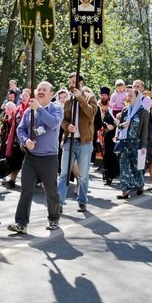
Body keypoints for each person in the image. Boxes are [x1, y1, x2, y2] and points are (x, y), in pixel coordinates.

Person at [7, 81, 63, 234]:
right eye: (39, 89)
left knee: (50, 189)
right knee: (26, 190)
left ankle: (53, 218)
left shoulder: (56, 108)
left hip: (49, 157)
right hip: (31, 157)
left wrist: (38, 108)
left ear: (52, 94)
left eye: (45, 89)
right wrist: (26, 141)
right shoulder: (28, 111)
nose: (41, 91)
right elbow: (21, 130)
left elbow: (54, 123)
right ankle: (21, 223)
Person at [57, 72, 97, 213]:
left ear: (81, 83)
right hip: (70, 141)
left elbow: (91, 113)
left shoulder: (90, 97)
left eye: (74, 82)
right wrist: (67, 126)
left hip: (85, 142)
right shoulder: (68, 101)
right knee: (64, 173)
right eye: (70, 82)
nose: (71, 85)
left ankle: (82, 201)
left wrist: (80, 97)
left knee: (83, 175)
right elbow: (63, 120)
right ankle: (59, 203)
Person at [115, 87, 150, 197]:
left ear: (137, 97)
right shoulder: (125, 110)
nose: (128, 98)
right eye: (128, 96)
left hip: (137, 143)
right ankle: (124, 191)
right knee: (124, 166)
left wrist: (144, 145)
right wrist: (122, 125)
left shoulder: (143, 112)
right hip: (125, 142)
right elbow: (119, 126)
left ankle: (140, 185)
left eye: (131, 96)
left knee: (137, 166)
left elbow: (145, 130)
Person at [95, 88, 119, 185]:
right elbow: (102, 120)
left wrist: (114, 125)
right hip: (106, 134)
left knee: (114, 155)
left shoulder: (118, 107)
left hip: (116, 134)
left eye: (105, 95)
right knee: (107, 154)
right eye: (102, 95)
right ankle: (107, 176)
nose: (103, 97)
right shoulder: (100, 105)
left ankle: (114, 174)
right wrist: (106, 125)